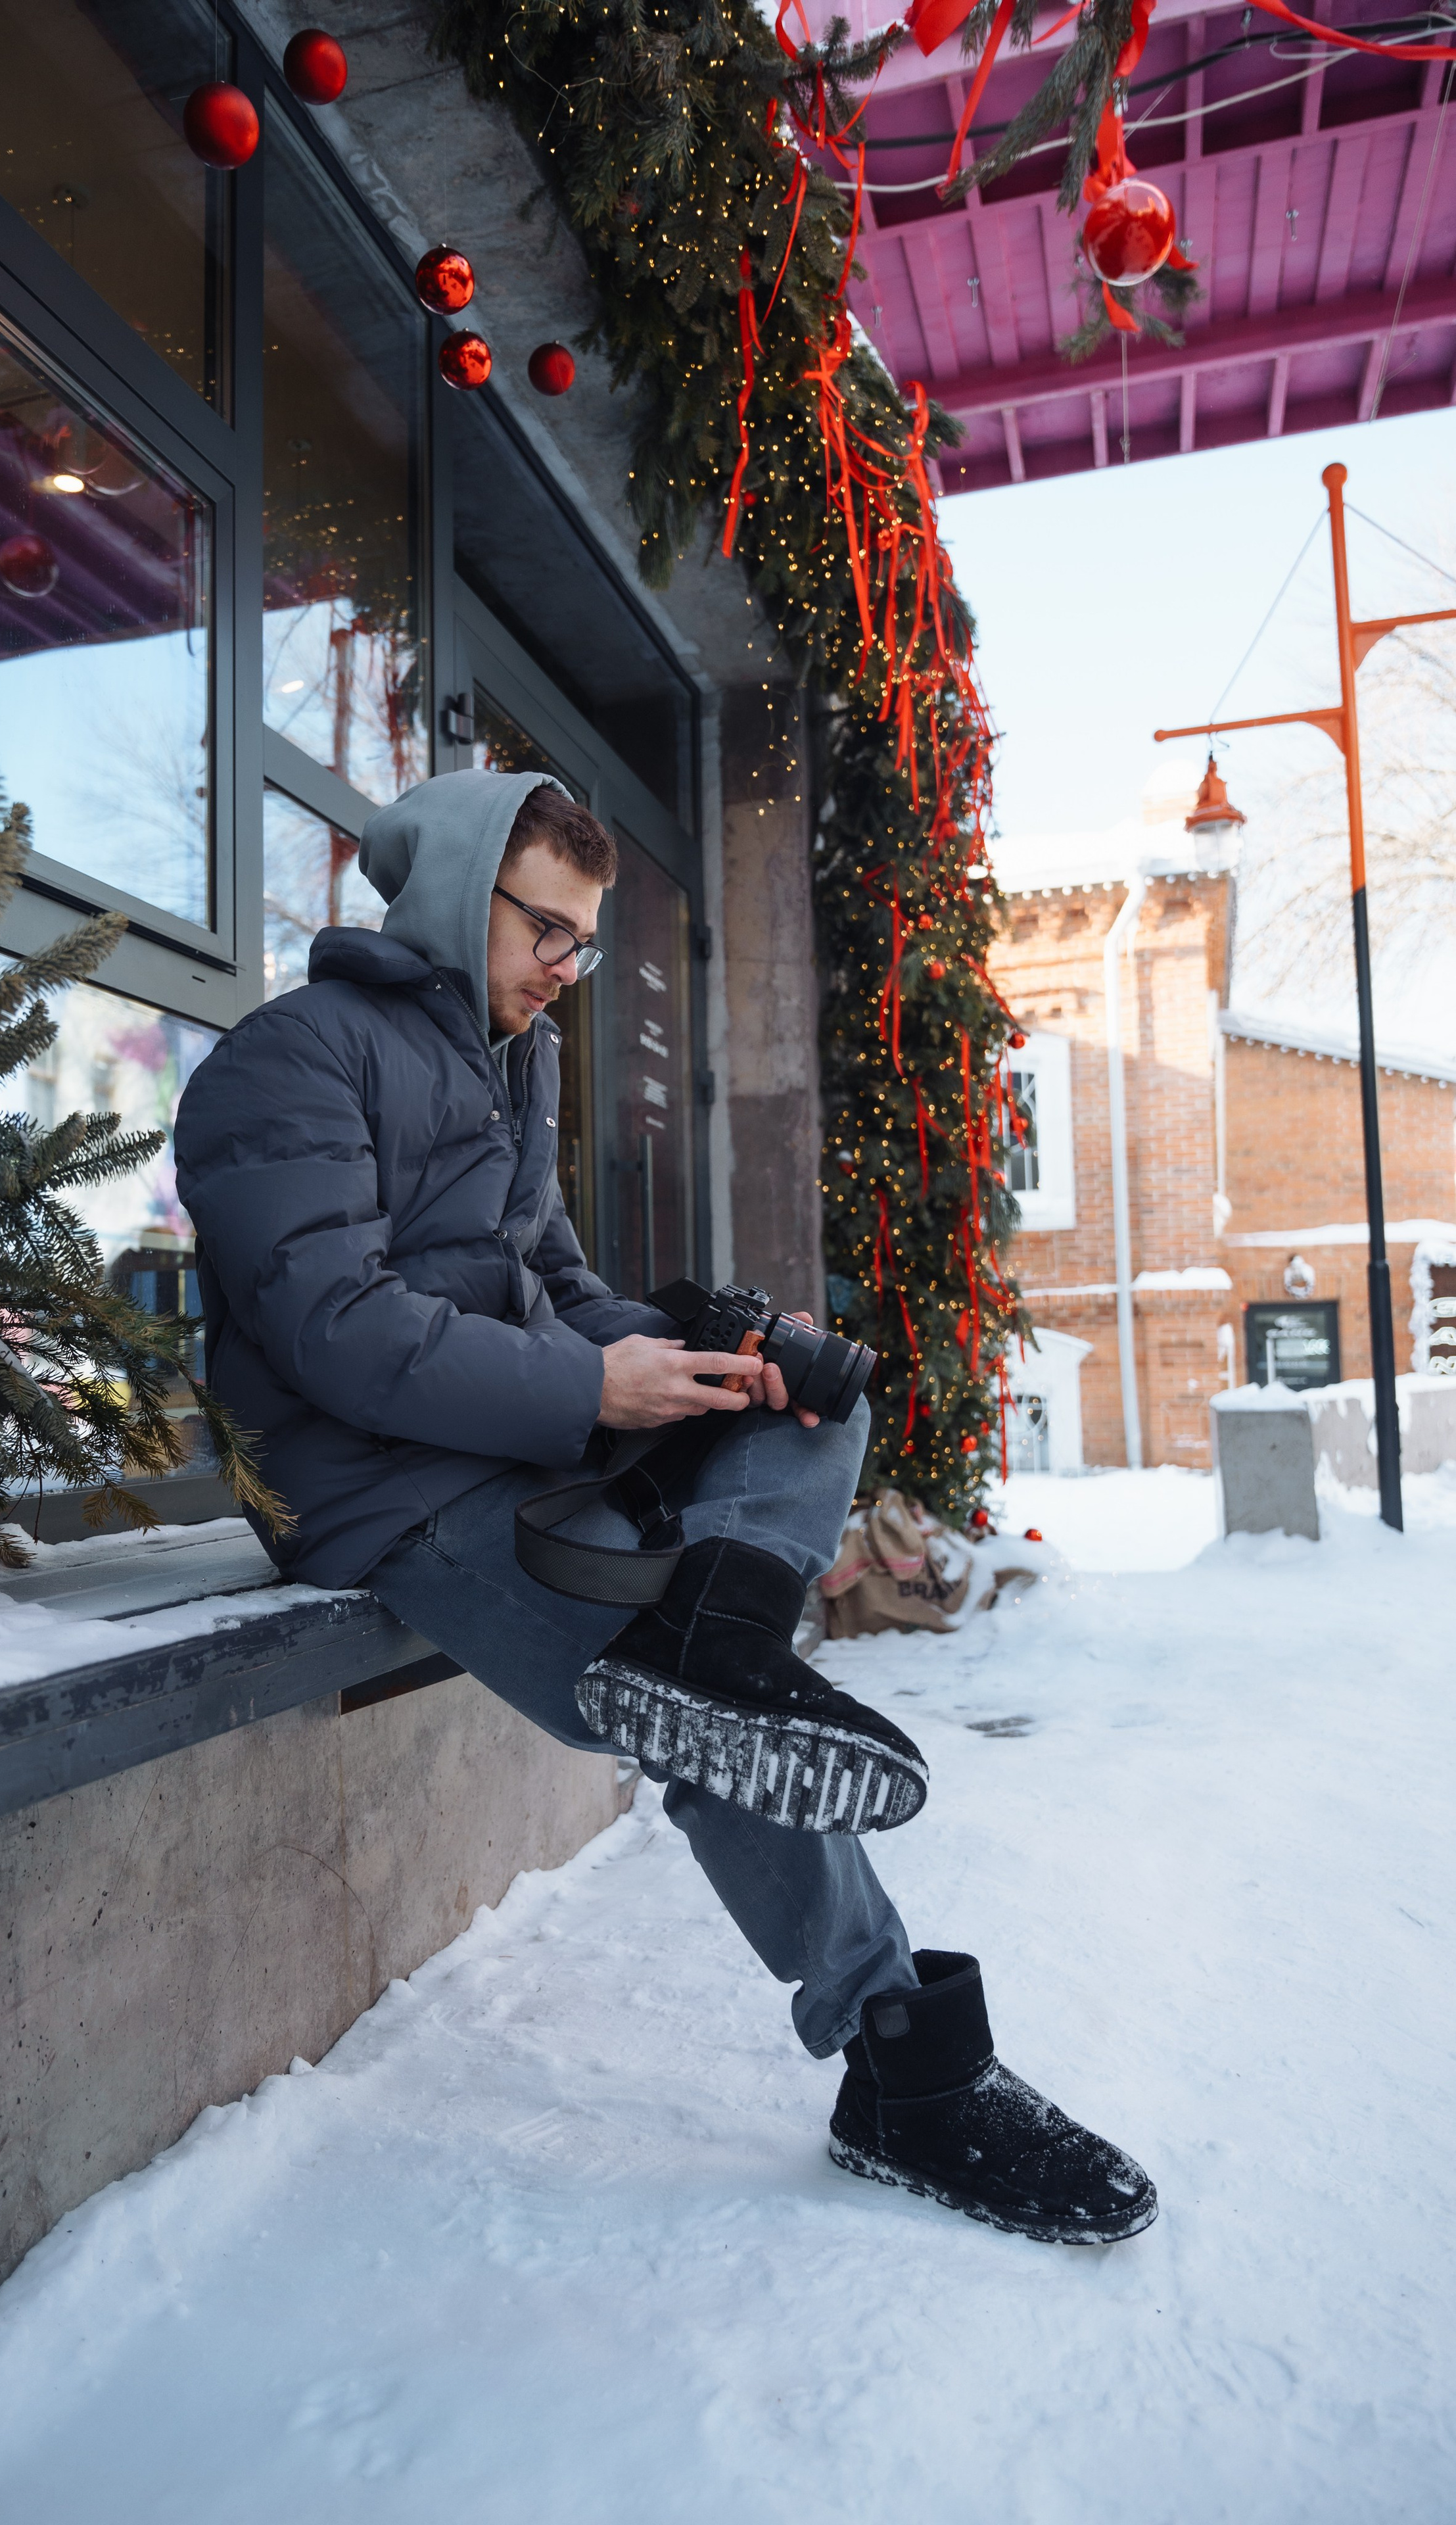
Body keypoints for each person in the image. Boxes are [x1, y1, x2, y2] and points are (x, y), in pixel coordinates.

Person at [174, 770, 1156, 2245]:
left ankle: (718, 1640)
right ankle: (900, 2067)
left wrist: (708, 1350)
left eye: (580, 944)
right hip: (383, 1493)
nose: (566, 973)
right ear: (455, 895)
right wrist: (593, 1393)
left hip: (520, 1444)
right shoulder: (286, 1063)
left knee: (812, 1402)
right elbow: (334, 1331)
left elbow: (561, 1290)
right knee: (711, 1727)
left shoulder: (509, 1066)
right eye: (547, 934)